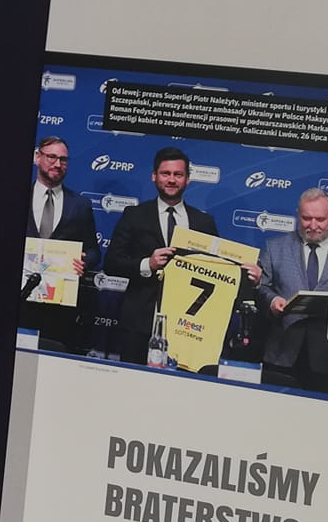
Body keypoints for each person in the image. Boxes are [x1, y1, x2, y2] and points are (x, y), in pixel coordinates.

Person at [104, 148, 221, 365]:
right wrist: (147, 264)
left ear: (188, 179)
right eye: (165, 173)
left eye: (178, 174)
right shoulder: (134, 215)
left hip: (188, 325)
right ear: (154, 176)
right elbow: (111, 263)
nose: (172, 180)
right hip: (139, 322)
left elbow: (218, 271)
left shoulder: (204, 222)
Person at [257, 187, 328, 395]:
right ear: (297, 215)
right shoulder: (275, 248)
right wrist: (273, 301)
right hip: (281, 354)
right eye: (306, 218)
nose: (313, 225)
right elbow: (262, 288)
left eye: (320, 219)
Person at [21, 134, 100, 353]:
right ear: (38, 157)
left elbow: (94, 251)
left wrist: (85, 261)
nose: (57, 164)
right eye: (52, 157)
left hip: (59, 306)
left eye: (63, 159)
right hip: (19, 300)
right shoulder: (17, 195)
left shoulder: (80, 205)